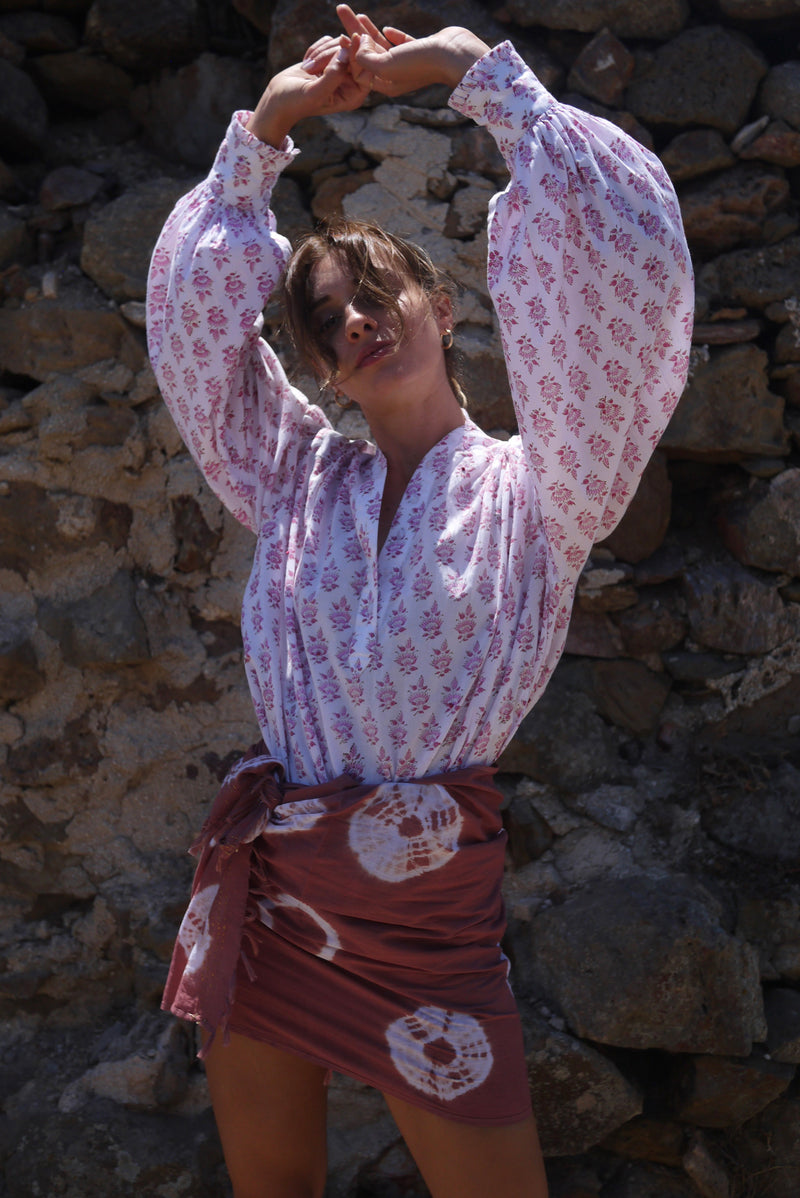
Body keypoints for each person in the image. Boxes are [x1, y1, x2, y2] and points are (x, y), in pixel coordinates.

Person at [146, 6, 693, 1197]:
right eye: (325, 316)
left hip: (425, 922)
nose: (352, 318)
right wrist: (268, 131)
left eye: (377, 290)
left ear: (443, 308)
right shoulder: (291, 475)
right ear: (317, 361)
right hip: (275, 887)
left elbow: (627, 266)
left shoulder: (545, 484)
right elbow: (190, 336)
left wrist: (472, 75)